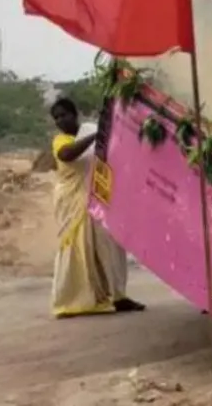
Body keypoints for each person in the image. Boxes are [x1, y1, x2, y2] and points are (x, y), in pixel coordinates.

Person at [49, 98, 145, 317]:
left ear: (75, 114)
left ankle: (117, 295)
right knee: (79, 249)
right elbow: (67, 155)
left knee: (110, 247)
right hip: (73, 202)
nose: (61, 120)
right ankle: (78, 299)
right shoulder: (61, 141)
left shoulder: (91, 130)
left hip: (100, 198)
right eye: (57, 118)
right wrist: (96, 135)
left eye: (64, 115)